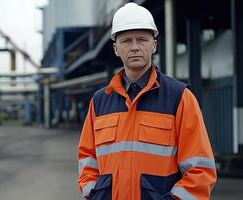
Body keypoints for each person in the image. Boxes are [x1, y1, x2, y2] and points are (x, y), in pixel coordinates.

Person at [78, 2, 217, 200]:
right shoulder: (100, 102)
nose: (135, 47)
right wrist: (92, 194)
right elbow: (87, 161)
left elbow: (200, 170)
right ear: (116, 49)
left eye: (142, 39)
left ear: (154, 45)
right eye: (126, 41)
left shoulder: (179, 98)